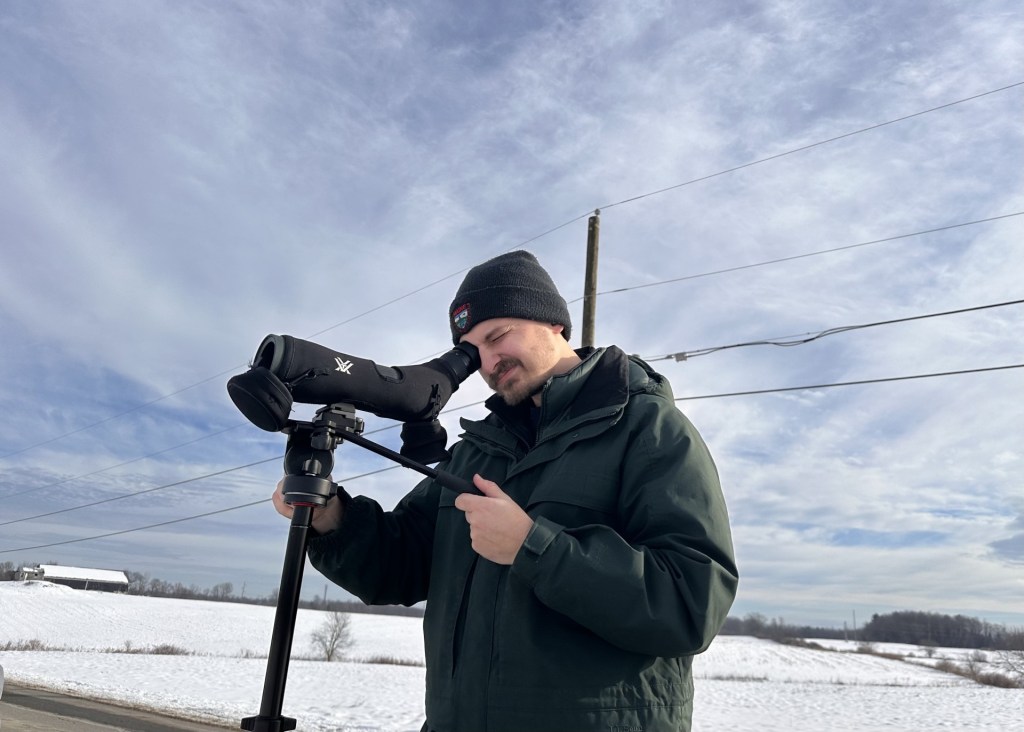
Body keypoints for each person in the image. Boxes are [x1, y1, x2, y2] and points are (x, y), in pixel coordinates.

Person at [273, 250, 738, 732]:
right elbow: (401, 566)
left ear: (553, 324)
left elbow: (691, 604)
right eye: (474, 352)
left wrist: (533, 547)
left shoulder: (648, 428)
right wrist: (332, 519)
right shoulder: (478, 448)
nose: (491, 361)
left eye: (498, 336)